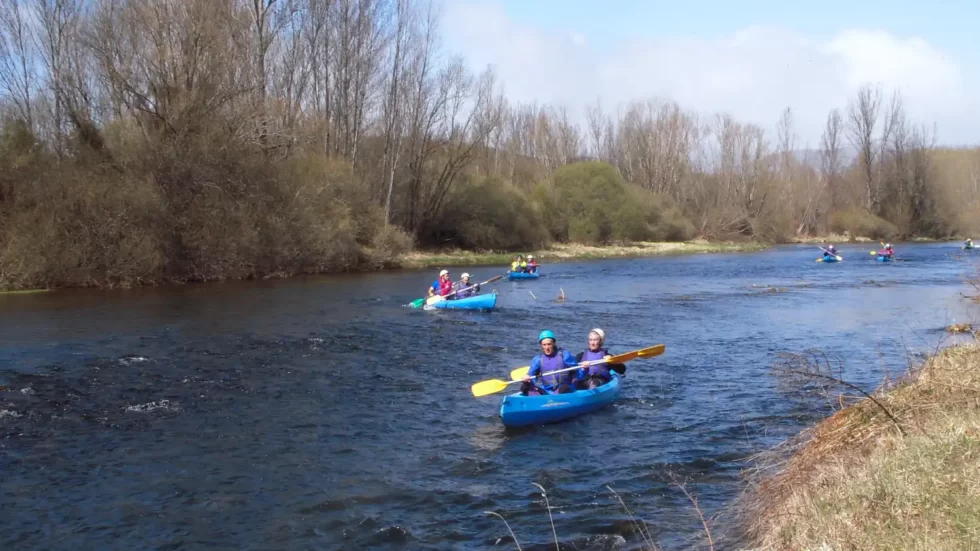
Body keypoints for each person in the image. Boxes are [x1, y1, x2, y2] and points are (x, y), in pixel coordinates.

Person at [521, 330, 581, 395]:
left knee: (564, 388)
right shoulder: (538, 359)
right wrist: (527, 380)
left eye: (549, 344)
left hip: (564, 388)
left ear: (554, 343)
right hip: (547, 391)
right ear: (541, 345)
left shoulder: (564, 355)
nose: (547, 347)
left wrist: (576, 382)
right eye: (544, 345)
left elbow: (577, 371)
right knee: (524, 387)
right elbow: (531, 376)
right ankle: (536, 399)